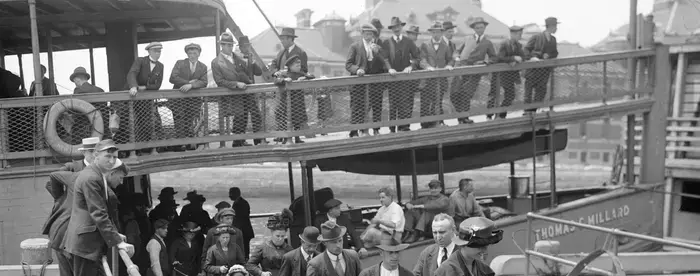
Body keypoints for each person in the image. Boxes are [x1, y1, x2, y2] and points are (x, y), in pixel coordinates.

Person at [62, 139, 135, 276]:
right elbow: (99, 213)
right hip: (85, 246)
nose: (112, 161)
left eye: (115, 157)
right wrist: (118, 242)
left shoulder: (96, 175)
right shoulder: (91, 178)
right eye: (108, 156)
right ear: (96, 155)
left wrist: (114, 235)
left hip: (88, 244)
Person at [211, 32, 265, 147]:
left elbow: (253, 72)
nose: (230, 47)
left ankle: (257, 140)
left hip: (246, 91)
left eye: (231, 45)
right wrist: (236, 84)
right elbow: (219, 81)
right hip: (233, 93)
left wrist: (251, 61)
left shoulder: (238, 57)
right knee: (240, 116)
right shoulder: (216, 62)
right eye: (227, 45)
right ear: (222, 45)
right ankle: (237, 141)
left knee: (255, 114)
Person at [345, 24, 391, 138]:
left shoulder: (378, 48)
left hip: (375, 83)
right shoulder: (355, 46)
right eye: (366, 33)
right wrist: (357, 70)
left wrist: (378, 53)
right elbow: (348, 64)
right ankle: (356, 131)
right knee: (357, 107)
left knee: (376, 106)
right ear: (362, 34)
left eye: (370, 34)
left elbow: (385, 65)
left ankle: (376, 129)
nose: (368, 36)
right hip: (359, 83)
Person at [124, 42, 165, 154]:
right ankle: (128, 149)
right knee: (128, 122)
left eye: (159, 51)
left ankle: (144, 147)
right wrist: (134, 86)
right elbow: (132, 74)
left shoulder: (160, 66)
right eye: (155, 51)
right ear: (149, 52)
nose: (158, 53)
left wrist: (145, 87)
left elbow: (157, 85)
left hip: (146, 99)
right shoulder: (140, 61)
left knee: (147, 122)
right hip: (132, 97)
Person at [454, 17, 496, 124]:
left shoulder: (487, 42)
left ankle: (465, 117)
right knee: (455, 93)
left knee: (467, 93)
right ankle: (460, 117)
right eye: (477, 28)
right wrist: (457, 58)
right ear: (474, 29)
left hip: (475, 71)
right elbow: (457, 52)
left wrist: (485, 62)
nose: (479, 29)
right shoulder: (467, 39)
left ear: (484, 28)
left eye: (481, 27)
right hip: (462, 69)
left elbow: (493, 57)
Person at [383, 17, 420, 133]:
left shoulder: (408, 42)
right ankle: (392, 128)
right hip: (393, 78)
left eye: (398, 27)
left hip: (405, 79)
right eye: (394, 27)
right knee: (393, 104)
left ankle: (404, 128)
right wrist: (389, 69)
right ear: (391, 29)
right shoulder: (387, 42)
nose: (396, 29)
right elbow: (384, 58)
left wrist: (411, 66)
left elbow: (417, 57)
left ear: (401, 27)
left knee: (405, 103)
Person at [169, 43, 208, 151]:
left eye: (195, 53)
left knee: (189, 121)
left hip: (193, 101)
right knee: (179, 121)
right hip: (178, 100)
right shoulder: (180, 63)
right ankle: (180, 144)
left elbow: (204, 82)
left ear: (199, 54)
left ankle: (189, 143)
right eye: (190, 53)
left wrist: (191, 85)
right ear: (187, 54)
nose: (192, 55)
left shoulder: (203, 66)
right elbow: (172, 78)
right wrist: (187, 82)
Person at [433, 217, 503, 276]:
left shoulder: (483, 269)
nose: (484, 251)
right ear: (463, 245)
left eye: (486, 246)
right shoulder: (447, 271)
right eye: (479, 247)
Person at [419, 22, 454, 129]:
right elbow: (422, 60)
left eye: (438, 32)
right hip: (428, 80)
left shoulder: (446, 46)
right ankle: (425, 125)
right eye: (434, 32)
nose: (436, 34)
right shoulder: (425, 45)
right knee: (425, 102)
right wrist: (428, 67)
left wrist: (449, 65)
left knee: (438, 102)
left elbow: (451, 59)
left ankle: (437, 123)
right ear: (431, 33)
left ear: (441, 33)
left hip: (441, 80)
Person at [273, 55, 315, 144]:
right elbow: (276, 80)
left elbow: (312, 76)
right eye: (296, 65)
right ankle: (285, 138)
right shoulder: (284, 74)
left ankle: (297, 137)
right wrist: (284, 80)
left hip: (298, 102)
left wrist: (304, 78)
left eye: (299, 65)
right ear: (290, 66)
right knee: (286, 120)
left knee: (297, 120)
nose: (299, 67)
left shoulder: (301, 73)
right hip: (287, 102)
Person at [487, 25, 525, 120]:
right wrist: (512, 58)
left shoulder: (518, 45)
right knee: (493, 93)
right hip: (499, 73)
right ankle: (489, 115)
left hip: (510, 75)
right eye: (518, 34)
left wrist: (515, 60)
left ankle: (501, 114)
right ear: (512, 34)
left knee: (510, 95)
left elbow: (523, 57)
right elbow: (499, 57)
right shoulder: (504, 44)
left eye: (520, 34)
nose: (520, 36)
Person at [523, 17, 560, 112]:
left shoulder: (553, 39)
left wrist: (549, 56)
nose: (556, 28)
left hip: (544, 72)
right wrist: (532, 58)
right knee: (528, 93)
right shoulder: (537, 37)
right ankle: (527, 113)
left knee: (541, 93)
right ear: (551, 26)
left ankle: (533, 111)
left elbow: (555, 53)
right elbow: (526, 50)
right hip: (533, 71)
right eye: (555, 26)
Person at [245, 209, 294, 276]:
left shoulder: (290, 250)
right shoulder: (262, 248)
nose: (280, 238)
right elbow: (250, 265)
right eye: (277, 236)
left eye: (282, 236)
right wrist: (261, 273)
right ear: (272, 233)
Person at [229, 187, 254, 259]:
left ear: (236, 194)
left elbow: (240, 219)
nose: (229, 195)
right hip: (244, 231)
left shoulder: (240, 203)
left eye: (231, 193)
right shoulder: (242, 202)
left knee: (244, 251)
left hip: (243, 232)